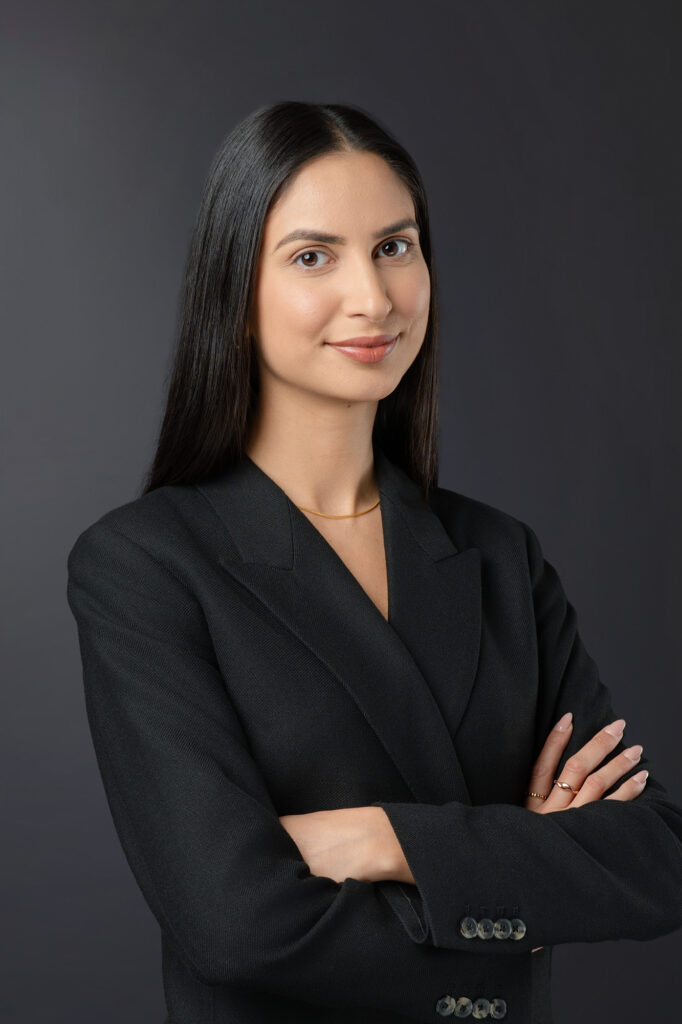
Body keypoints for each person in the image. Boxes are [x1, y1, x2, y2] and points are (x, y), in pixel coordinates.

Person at [66, 101, 682, 1024]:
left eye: (395, 247)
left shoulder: (500, 556)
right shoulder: (144, 566)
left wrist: (381, 838)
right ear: (235, 295)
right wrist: (521, 885)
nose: (374, 297)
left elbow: (657, 855)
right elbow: (233, 921)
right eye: (314, 257)